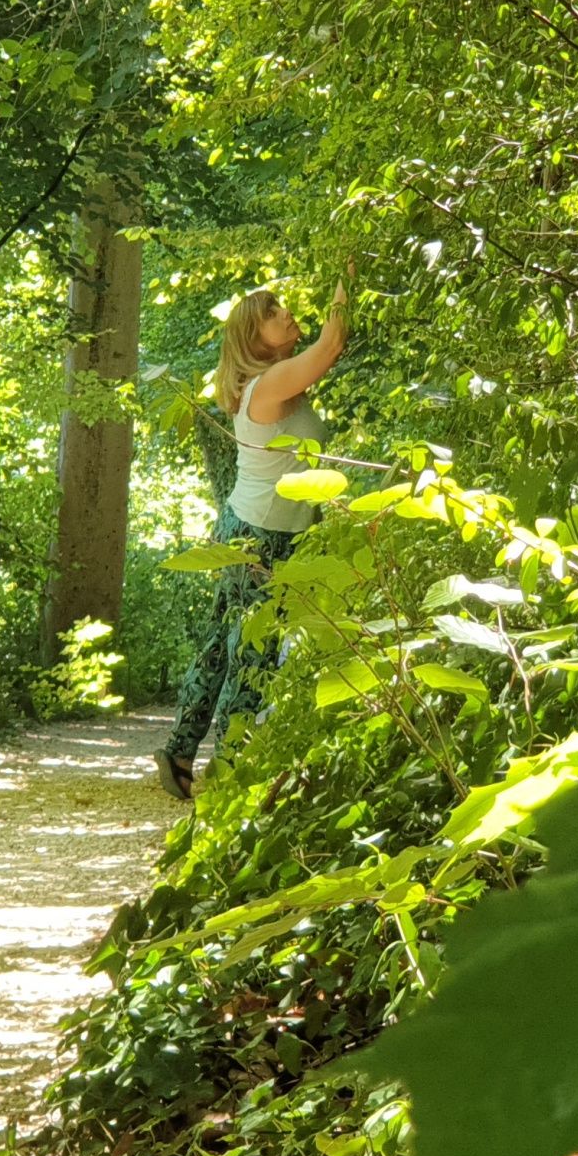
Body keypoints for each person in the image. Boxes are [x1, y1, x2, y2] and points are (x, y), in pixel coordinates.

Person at [154, 273, 350, 799]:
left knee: (225, 641)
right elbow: (331, 344)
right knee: (253, 651)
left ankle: (179, 749)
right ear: (252, 338)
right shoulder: (268, 386)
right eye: (271, 313)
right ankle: (234, 775)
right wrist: (345, 279)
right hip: (259, 538)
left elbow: (320, 349)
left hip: (258, 529)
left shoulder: (279, 380)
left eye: (280, 307)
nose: (285, 314)